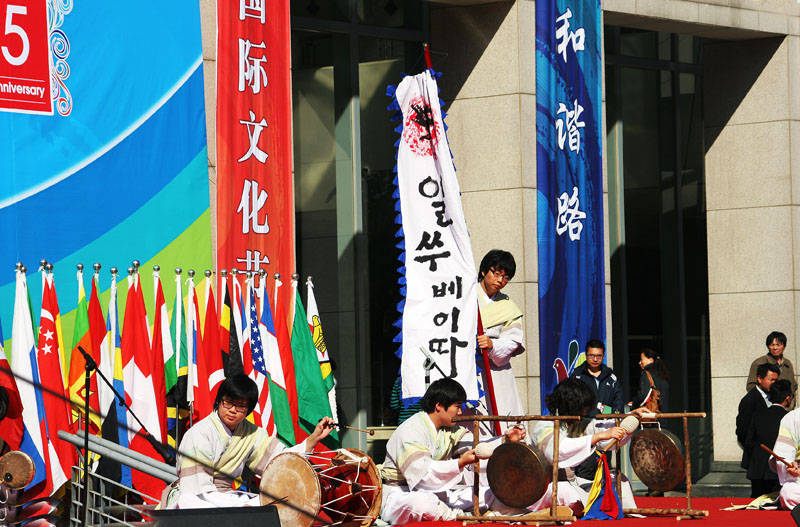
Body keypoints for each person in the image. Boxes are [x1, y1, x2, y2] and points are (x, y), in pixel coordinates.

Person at [163, 373, 334, 508]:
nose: (232, 410)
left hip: (227, 498)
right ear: (219, 401)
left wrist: (313, 438)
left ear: (248, 410)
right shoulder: (199, 434)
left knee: (275, 502)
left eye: (240, 406)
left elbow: (281, 463)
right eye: (228, 403)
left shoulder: (252, 433)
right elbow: (196, 491)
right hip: (195, 497)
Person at [379, 377, 526, 523]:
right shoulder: (411, 430)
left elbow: (476, 447)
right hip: (401, 495)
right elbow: (422, 477)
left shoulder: (450, 430)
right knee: (423, 504)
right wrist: (459, 463)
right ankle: (462, 517)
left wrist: (505, 440)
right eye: (457, 406)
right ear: (439, 406)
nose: (461, 412)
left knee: (496, 494)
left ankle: (461, 514)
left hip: (438, 493)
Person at [529, 378, 644, 516]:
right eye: (582, 408)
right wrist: (598, 437)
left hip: (574, 483)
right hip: (548, 486)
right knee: (563, 491)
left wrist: (633, 417)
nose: (585, 412)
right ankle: (590, 507)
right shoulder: (545, 426)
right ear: (570, 405)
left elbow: (604, 429)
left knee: (618, 479)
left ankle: (619, 510)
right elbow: (557, 451)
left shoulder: (578, 423)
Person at [475, 250, 525, 433]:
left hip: (496, 371)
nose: (500, 281)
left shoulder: (508, 306)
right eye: (497, 274)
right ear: (484, 271)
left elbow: (513, 341)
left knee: (503, 420)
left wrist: (492, 345)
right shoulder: (465, 297)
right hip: (469, 370)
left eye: (506, 278)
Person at [746, 379, 792, 498]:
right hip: (779, 470)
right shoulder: (789, 418)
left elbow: (749, 442)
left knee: (756, 503)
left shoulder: (757, 415)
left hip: (757, 468)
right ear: (787, 398)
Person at [736, 363, 780, 471]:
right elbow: (742, 431)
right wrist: (756, 450)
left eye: (776, 380)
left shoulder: (775, 396)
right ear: (759, 379)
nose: (774, 384)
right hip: (758, 461)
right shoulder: (749, 400)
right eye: (771, 380)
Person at [570, 340, 624, 418]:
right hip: (584, 424)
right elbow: (571, 401)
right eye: (591, 355)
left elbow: (618, 401)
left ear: (603, 356)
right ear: (586, 355)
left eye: (599, 356)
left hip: (608, 423)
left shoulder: (611, 377)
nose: (595, 359)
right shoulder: (577, 376)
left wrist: (614, 417)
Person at [747, 331, 797, 408]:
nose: (775, 348)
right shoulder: (759, 363)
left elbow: (793, 387)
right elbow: (750, 386)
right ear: (768, 346)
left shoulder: (788, 364)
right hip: (766, 408)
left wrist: (790, 405)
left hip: (786, 409)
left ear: (784, 346)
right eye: (772, 345)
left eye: (778, 345)